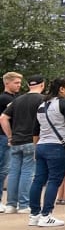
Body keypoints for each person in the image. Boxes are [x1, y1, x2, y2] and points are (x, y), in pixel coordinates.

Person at [29, 77, 65, 227]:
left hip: (42, 145)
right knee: (54, 180)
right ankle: (46, 215)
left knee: (38, 180)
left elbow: (35, 130)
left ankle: (34, 214)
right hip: (57, 146)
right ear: (61, 89)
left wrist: (36, 148)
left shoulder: (42, 105)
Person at [0, 74, 45, 213]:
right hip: (31, 140)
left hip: (16, 140)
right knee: (28, 172)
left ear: (28, 85)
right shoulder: (43, 99)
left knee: (14, 172)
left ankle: (11, 204)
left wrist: (10, 136)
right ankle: (24, 204)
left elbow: (3, 117)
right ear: (42, 85)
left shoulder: (17, 100)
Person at [0, 71, 21, 207]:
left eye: (19, 83)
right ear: (7, 83)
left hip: (9, 135)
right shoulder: (5, 99)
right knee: (2, 169)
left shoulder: (16, 98)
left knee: (6, 169)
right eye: (16, 83)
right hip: (3, 135)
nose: (18, 85)